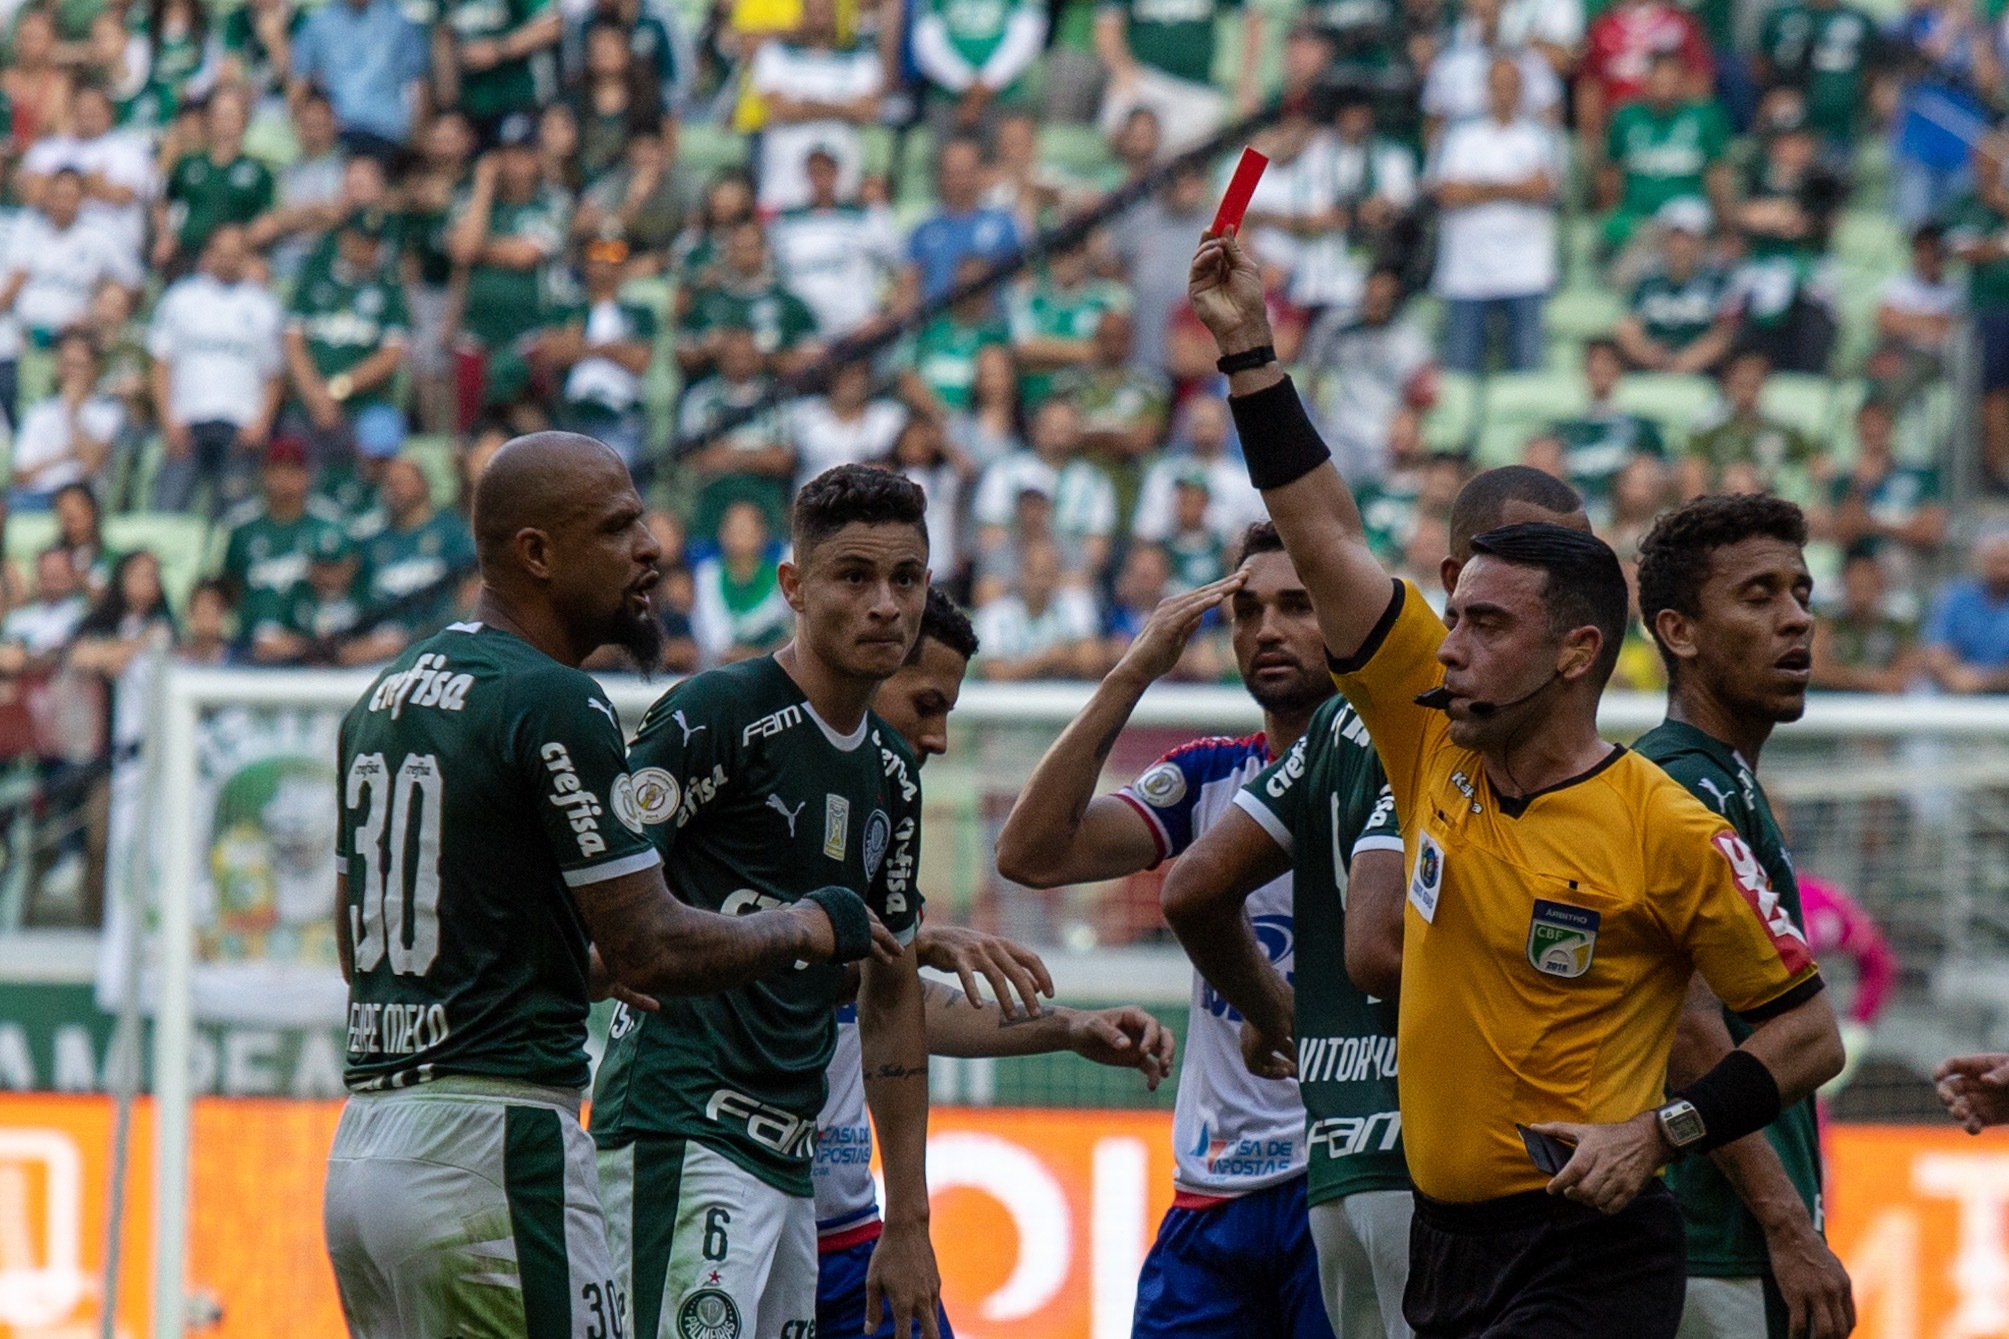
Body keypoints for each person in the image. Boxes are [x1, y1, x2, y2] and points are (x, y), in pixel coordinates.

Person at [1186, 227, 1843, 1336]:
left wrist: (1660, 1132)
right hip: (1445, 1247)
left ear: (1575, 653)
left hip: (1587, 1252)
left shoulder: (1664, 825)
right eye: (1454, 617)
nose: (1448, 648)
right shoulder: (1428, 737)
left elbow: (1806, 1034)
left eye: (1485, 626)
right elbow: (1324, 531)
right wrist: (1249, 349)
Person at [325, 432, 895, 1337]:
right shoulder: (556, 698)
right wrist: (807, 925)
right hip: (495, 1144)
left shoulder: (385, 694)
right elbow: (650, 945)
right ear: (538, 553)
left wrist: (568, 959)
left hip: (364, 1151)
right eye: (618, 526)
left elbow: (359, 947)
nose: (650, 546)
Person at [1164, 467, 1587, 1339]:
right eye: (1539, 551)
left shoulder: (1334, 724)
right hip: (1436, 1168)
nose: (1563, 572)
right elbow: (1374, 943)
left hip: (1335, 1168)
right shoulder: (1437, 728)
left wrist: (1277, 1010)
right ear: (1459, 576)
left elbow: (1197, 888)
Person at [591, 465, 942, 1339]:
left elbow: (890, 995)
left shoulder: (894, 775)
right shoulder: (719, 712)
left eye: (906, 579)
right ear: (793, 585)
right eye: (854, 576)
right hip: (680, 1125)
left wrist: (907, 1222)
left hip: (791, 1161)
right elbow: (598, 883)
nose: (885, 605)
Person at [995, 525, 1340, 1339]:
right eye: (1248, 611)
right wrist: (1134, 668)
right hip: (1211, 1193)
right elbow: (1029, 853)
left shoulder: (1404, 782)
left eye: (1297, 606)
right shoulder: (1209, 774)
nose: (1267, 630)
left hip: (1341, 1184)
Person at [813, 585, 1178, 1338]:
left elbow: (895, 1001)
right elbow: (691, 958)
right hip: (730, 1194)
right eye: (927, 705)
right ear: (865, 672)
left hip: (844, 1219)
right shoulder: (759, 781)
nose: (941, 737)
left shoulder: (879, 823)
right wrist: (913, 940)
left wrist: (1068, 1027)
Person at [1632, 495, 1856, 1339]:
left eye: (1800, 593)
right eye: (1758, 597)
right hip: (1713, 1241)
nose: (1795, 619)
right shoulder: (1683, 785)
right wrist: (1785, 1227)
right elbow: (1687, 1029)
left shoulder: (1721, 777)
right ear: (1679, 632)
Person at [1428, 58, 1561, 374]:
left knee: (1526, 376)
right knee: (1460, 372)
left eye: (1511, 85)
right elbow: (1447, 192)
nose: (1504, 93)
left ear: (1522, 90)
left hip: (1525, 269)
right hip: (1467, 272)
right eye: (1497, 85)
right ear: (1485, 89)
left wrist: (1480, 187)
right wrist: (1515, 186)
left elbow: (1544, 188)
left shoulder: (1540, 136)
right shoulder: (1460, 136)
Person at [147, 224, 285, 515]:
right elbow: (161, 365)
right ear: (208, 255)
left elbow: (273, 375)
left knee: (235, 516)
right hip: (186, 421)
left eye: (236, 254)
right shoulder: (180, 299)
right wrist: (167, 420)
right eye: (221, 253)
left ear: (246, 257)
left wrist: (260, 424)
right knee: (167, 512)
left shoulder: (263, 306)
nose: (228, 260)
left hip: (240, 425)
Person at [283, 210, 411, 462]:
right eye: (362, 238)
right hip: (306, 404)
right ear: (344, 238)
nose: (369, 247)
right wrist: (315, 394)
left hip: (364, 405)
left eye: (374, 241)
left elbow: (391, 355)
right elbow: (293, 341)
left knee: (382, 437)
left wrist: (335, 390)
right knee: (288, 456)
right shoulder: (314, 279)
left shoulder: (388, 287)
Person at [288, 0, 432, 157]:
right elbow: (299, 80)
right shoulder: (318, 23)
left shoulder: (398, 22)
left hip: (387, 131)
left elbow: (416, 81)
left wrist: (418, 137)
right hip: (337, 131)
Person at [8, 334, 123, 510]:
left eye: (78, 366)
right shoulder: (39, 412)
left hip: (81, 499)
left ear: (95, 368)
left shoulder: (109, 413)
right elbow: (20, 475)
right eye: (66, 364)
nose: (71, 372)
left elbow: (92, 465)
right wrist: (66, 454)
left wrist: (73, 415)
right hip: (34, 497)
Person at [1922, 529, 2009, 694]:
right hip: (1955, 696)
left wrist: (1982, 681)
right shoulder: (1956, 597)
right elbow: (1936, 651)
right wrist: (1953, 676)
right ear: (1982, 561)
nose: (2004, 570)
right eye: (1998, 562)